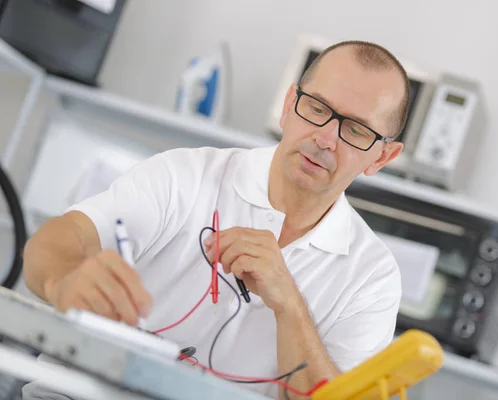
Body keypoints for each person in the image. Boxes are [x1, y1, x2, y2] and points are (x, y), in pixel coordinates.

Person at [21, 39, 410, 399]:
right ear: (289, 104)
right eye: (317, 108)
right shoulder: (186, 174)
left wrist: (289, 305)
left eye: (356, 130)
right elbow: (58, 239)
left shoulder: (373, 279)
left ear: (382, 158)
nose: (325, 138)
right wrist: (64, 280)